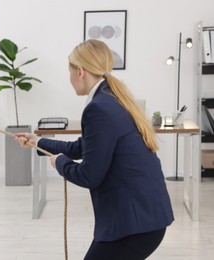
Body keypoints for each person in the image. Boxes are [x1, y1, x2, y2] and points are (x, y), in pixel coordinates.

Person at [15, 39, 174, 260]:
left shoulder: (98, 108)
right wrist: (38, 142)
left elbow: (90, 176)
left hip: (135, 224)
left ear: (80, 72)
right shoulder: (113, 97)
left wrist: (60, 163)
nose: (69, 79)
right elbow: (84, 146)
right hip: (145, 216)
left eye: (69, 72)